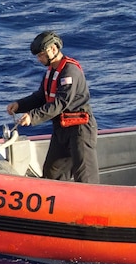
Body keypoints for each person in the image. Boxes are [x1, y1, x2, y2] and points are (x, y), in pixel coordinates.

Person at [6, 30, 99, 183]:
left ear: (54, 49)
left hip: (80, 129)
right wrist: (19, 105)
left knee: (85, 176)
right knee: (52, 173)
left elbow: (61, 103)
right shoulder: (51, 72)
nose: (39, 59)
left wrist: (33, 117)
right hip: (62, 129)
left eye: (41, 54)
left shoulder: (70, 72)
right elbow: (41, 96)